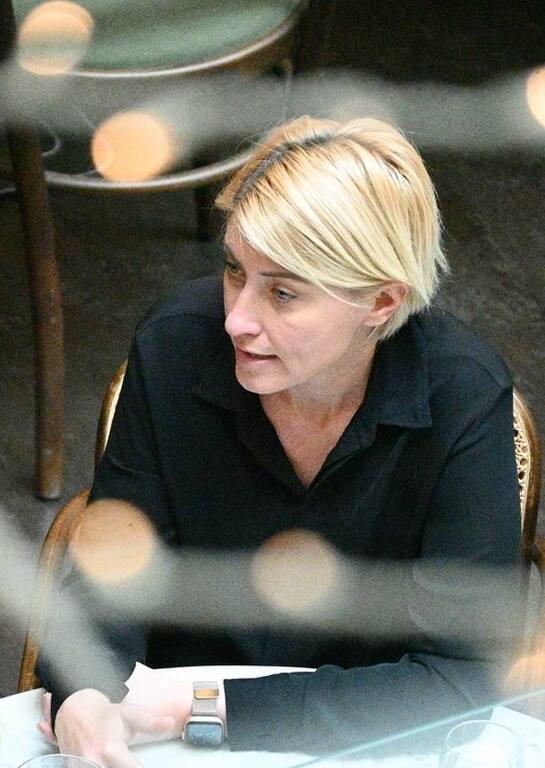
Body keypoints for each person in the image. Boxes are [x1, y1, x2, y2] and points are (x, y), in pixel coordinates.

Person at [38, 116, 522, 764]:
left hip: (364, 744)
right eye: (234, 270)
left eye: (284, 293)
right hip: (162, 738)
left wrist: (203, 708)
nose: (236, 319)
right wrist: (82, 691)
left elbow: (461, 679)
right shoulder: (177, 343)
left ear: (381, 302)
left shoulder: (462, 392)